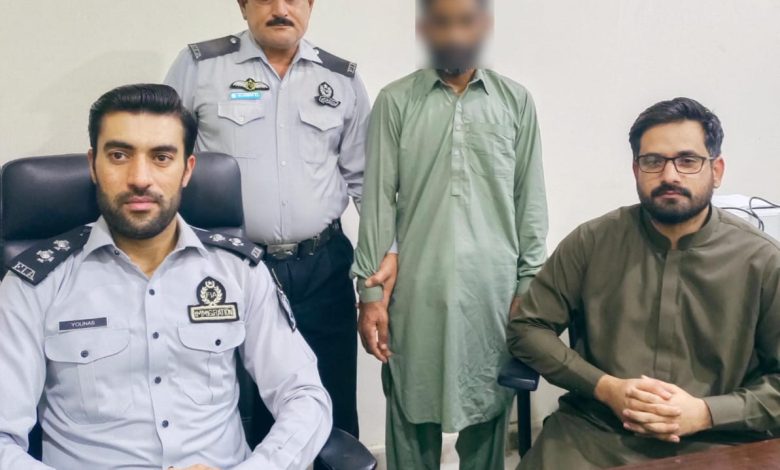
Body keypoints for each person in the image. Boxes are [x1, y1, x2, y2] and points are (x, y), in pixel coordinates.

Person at [0, 84, 332, 470]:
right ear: (93, 165)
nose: (140, 178)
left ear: (187, 169)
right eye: (119, 155)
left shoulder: (238, 270)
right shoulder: (35, 282)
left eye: (161, 157)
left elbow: (304, 395)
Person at [164, 0, 397, 442]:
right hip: (230, 267)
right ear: (243, 6)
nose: (280, 9)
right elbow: (165, 160)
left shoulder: (340, 79)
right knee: (239, 407)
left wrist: (380, 269)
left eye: (293, 0)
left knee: (331, 401)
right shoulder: (200, 67)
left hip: (321, 267)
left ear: (310, 6)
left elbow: (367, 181)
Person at [508, 97, 780, 469]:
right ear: (636, 169)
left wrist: (706, 412)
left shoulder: (763, 261)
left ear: (716, 170)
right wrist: (605, 387)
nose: (670, 176)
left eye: (688, 160)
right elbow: (527, 328)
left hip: (718, 441)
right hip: (595, 435)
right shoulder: (592, 242)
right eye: (653, 161)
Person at [352, 0, 549, 468]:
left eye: (465, 22)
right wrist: (370, 293)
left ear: (484, 26)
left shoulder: (515, 102)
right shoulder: (396, 101)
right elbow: (377, 203)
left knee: (488, 411)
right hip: (416, 290)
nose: (454, 35)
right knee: (410, 409)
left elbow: (530, 202)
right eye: (442, 23)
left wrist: (528, 285)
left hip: (492, 292)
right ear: (425, 28)